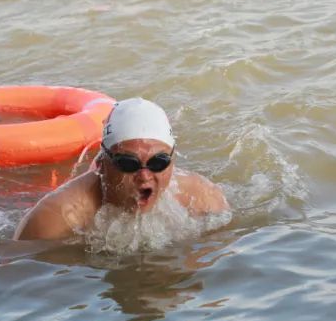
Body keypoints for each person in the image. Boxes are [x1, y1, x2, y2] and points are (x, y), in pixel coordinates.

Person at [13, 98, 229, 241]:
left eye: (158, 162)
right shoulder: (55, 220)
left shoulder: (205, 199)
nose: (144, 176)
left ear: (172, 161)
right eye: (128, 163)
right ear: (102, 163)